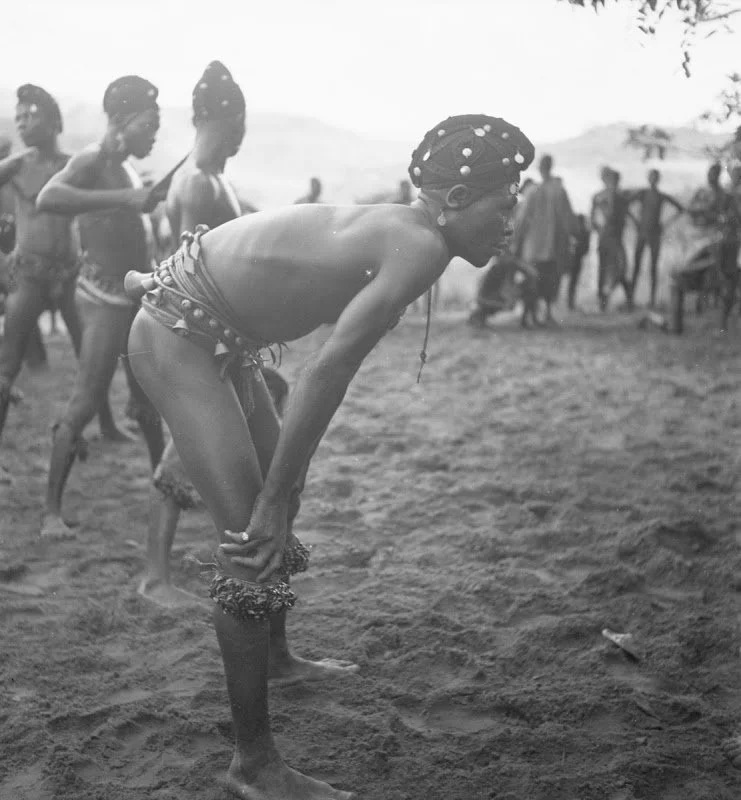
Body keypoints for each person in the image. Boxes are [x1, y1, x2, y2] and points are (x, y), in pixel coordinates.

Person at [124, 113, 534, 800]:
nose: (509, 221)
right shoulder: (419, 243)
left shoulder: (408, 233)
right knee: (249, 541)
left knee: (281, 498)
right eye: (503, 204)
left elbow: (320, 368)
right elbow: (327, 369)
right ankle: (252, 766)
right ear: (456, 200)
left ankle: (277, 657)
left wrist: (286, 488)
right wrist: (274, 496)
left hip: (215, 332)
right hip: (176, 334)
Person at [140, 61, 289, 608]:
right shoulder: (200, 183)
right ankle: (156, 577)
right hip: (204, 340)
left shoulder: (209, 178)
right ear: (234, 121)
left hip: (220, 340)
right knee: (187, 450)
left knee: (242, 445)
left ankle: (159, 573)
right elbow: (199, 276)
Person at [35, 75, 168, 538]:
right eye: (149, 123)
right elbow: (49, 197)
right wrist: (127, 198)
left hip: (132, 302)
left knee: (147, 397)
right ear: (121, 121)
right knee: (86, 401)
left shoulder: (128, 167)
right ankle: (51, 514)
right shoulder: (93, 159)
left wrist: (140, 198)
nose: (154, 133)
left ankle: (163, 489)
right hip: (102, 303)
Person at [0, 85, 121, 442]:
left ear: (53, 121)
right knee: (7, 362)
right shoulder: (16, 166)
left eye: (30, 114)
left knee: (91, 355)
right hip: (29, 277)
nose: (22, 123)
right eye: (18, 116)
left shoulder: (74, 165)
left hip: (70, 276)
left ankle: (109, 426)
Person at [512, 154, 574, 323]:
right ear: (551, 167)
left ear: (540, 168)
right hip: (552, 247)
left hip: (533, 247)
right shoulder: (559, 191)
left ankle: (529, 315)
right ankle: (546, 313)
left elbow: (522, 220)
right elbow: (568, 220)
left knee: (532, 281)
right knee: (550, 281)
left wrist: (516, 241)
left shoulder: (532, 192)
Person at [687, 162, 740, 329]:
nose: (711, 177)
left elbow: (733, 218)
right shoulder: (705, 193)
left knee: (727, 277)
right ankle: (709, 308)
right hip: (708, 239)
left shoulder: (727, 196)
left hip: (726, 241)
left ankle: (723, 318)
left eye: (714, 174)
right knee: (714, 274)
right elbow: (692, 210)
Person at [628, 169, 684, 308]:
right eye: (651, 177)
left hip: (654, 234)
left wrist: (665, 224)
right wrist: (635, 221)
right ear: (648, 179)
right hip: (642, 233)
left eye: (655, 177)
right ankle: (631, 299)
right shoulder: (643, 194)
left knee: (653, 267)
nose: (653, 180)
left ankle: (652, 300)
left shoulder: (660, 196)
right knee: (636, 266)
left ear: (658, 179)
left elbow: (680, 208)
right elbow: (626, 205)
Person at [591, 167, 634, 311]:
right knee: (605, 270)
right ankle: (603, 303)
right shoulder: (601, 197)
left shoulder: (619, 197)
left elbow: (623, 215)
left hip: (614, 238)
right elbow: (593, 220)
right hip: (606, 238)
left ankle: (624, 301)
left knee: (619, 270)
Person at [566, 213, 590, 311]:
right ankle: (570, 302)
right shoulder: (584, 231)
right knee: (573, 281)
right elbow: (586, 249)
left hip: (573, 258)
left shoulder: (574, 231)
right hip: (575, 259)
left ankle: (569, 301)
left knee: (572, 281)